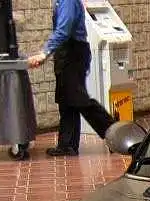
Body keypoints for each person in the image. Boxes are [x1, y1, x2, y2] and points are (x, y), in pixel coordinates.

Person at [27, 0, 115, 156]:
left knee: (78, 99)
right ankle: (67, 145)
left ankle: (115, 133)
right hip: (69, 52)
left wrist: (44, 53)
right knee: (66, 100)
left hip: (72, 53)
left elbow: (63, 30)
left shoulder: (67, 1)